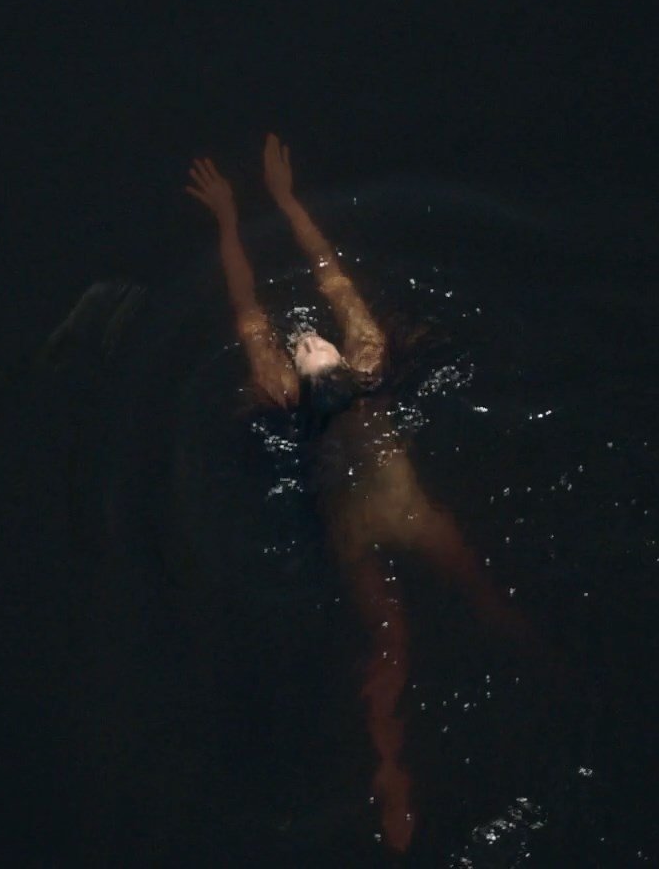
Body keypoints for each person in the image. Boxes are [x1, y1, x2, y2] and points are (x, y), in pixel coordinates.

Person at [186, 135, 533, 856]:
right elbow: (331, 276)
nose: (307, 340)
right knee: (476, 593)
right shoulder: (369, 362)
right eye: (313, 345)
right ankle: (540, 663)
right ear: (340, 362)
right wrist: (285, 200)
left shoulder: (280, 392)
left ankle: (393, 782)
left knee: (388, 654)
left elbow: (248, 305)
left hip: (353, 528)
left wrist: (231, 219)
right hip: (405, 509)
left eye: (304, 346)